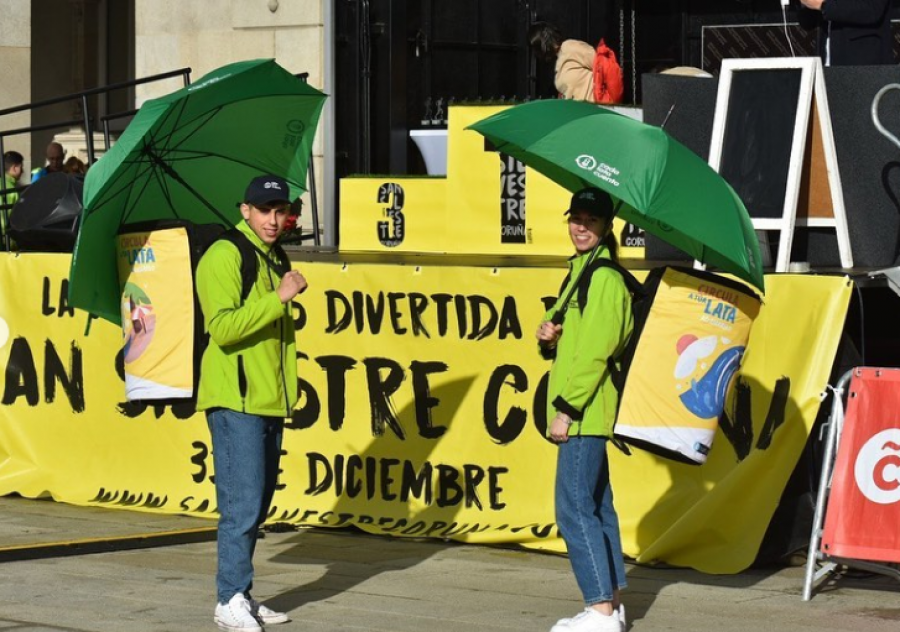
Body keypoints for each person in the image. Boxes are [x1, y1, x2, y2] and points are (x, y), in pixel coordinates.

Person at [195, 174, 308, 632]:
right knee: (241, 504)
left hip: (264, 397)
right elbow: (221, 328)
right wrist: (278, 297)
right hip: (235, 397)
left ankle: (240, 591)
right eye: (265, 210)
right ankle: (228, 598)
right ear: (245, 210)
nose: (274, 219)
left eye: (280, 210)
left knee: (257, 503)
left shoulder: (271, 255)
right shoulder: (225, 254)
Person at [536, 187, 633, 632]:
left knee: (575, 509)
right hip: (587, 409)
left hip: (586, 411)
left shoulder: (605, 278)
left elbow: (596, 353)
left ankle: (599, 612)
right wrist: (550, 338)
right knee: (595, 504)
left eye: (591, 221)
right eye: (576, 218)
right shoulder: (582, 272)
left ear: (607, 226)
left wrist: (566, 410)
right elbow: (577, 345)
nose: (580, 227)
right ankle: (610, 602)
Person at [798, 0, 893, 66]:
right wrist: (806, 4)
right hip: (825, 64)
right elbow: (807, 23)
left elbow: (872, 9)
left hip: (864, 65)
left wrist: (824, 6)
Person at [529, 21, 597, 102]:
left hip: (594, 109)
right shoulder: (558, 61)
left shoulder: (570, 47)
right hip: (578, 111)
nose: (535, 54)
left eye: (535, 49)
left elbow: (604, 67)